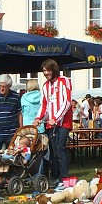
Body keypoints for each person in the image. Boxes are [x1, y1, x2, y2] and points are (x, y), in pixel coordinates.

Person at [33, 58, 73, 189]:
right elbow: (44, 105)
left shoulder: (64, 81)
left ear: (53, 69)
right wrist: (38, 118)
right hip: (50, 124)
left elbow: (67, 102)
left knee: (60, 148)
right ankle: (55, 176)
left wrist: (55, 118)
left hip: (63, 123)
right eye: (44, 71)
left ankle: (64, 178)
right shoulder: (45, 86)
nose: (46, 73)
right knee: (53, 151)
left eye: (48, 70)